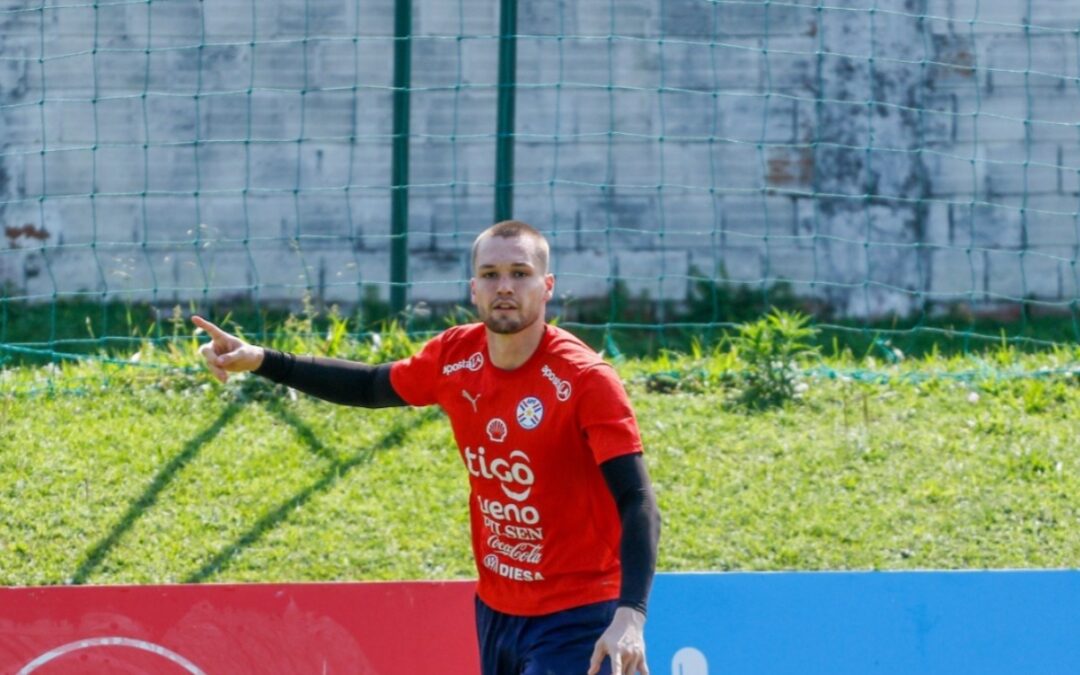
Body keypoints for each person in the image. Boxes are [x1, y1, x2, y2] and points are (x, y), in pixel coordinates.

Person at [193, 220, 661, 675]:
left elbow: (637, 500)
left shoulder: (585, 380)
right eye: (490, 274)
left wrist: (631, 614)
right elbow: (371, 385)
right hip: (497, 609)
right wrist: (261, 360)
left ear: (547, 286)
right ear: (473, 289)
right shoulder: (455, 356)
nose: (504, 286)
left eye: (520, 273)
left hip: (581, 614)